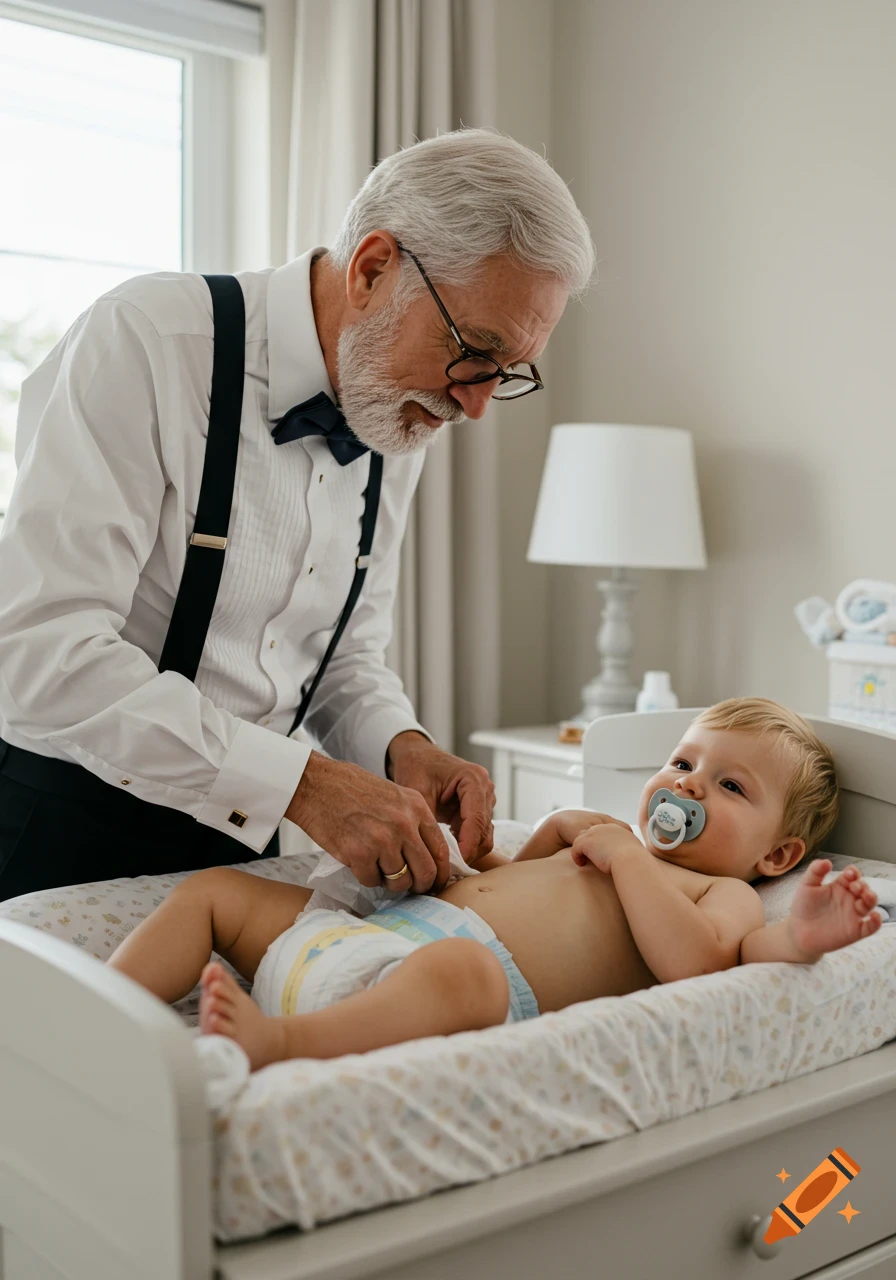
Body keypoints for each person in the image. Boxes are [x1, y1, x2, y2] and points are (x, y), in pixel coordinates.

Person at [0, 128, 595, 900]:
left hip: (236, 859)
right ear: (373, 268)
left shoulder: (398, 413)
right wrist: (305, 787)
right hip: (54, 836)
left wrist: (400, 746)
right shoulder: (148, 342)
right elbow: (40, 651)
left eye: (507, 371)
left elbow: (342, 656)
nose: (477, 404)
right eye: (474, 350)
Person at [108, 697, 884, 1070]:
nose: (688, 787)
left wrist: (806, 931)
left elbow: (709, 963)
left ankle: (278, 1044)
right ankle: (102, 1012)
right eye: (683, 764)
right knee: (216, 892)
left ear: (777, 858)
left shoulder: (718, 894)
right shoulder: (591, 831)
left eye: (730, 788)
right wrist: (487, 848)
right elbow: (500, 878)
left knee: (465, 971)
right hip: (359, 942)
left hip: (422, 987)